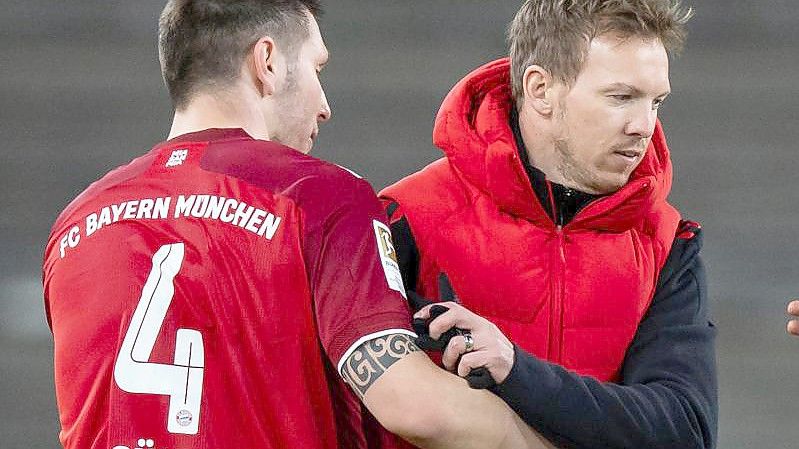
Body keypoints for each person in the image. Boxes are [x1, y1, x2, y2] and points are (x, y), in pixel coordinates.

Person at [42, 2, 551, 449]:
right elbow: (413, 405)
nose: (324, 106)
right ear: (267, 62)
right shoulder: (317, 196)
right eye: (316, 67)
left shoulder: (75, 224)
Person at [380, 1, 717, 448]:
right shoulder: (406, 216)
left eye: (655, 101)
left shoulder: (668, 242)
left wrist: (515, 370)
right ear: (540, 89)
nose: (644, 126)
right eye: (621, 97)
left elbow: (685, 432)